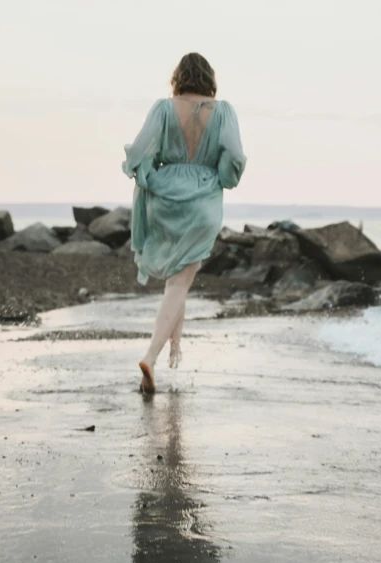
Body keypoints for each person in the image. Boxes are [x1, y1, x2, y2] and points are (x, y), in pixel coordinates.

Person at [122, 52, 246, 394]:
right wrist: (221, 176)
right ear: (209, 78)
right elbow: (234, 155)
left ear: (178, 77)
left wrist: (146, 175)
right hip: (203, 202)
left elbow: (139, 150)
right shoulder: (222, 111)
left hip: (165, 198)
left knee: (177, 282)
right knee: (180, 282)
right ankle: (151, 356)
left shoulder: (164, 108)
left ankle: (174, 346)